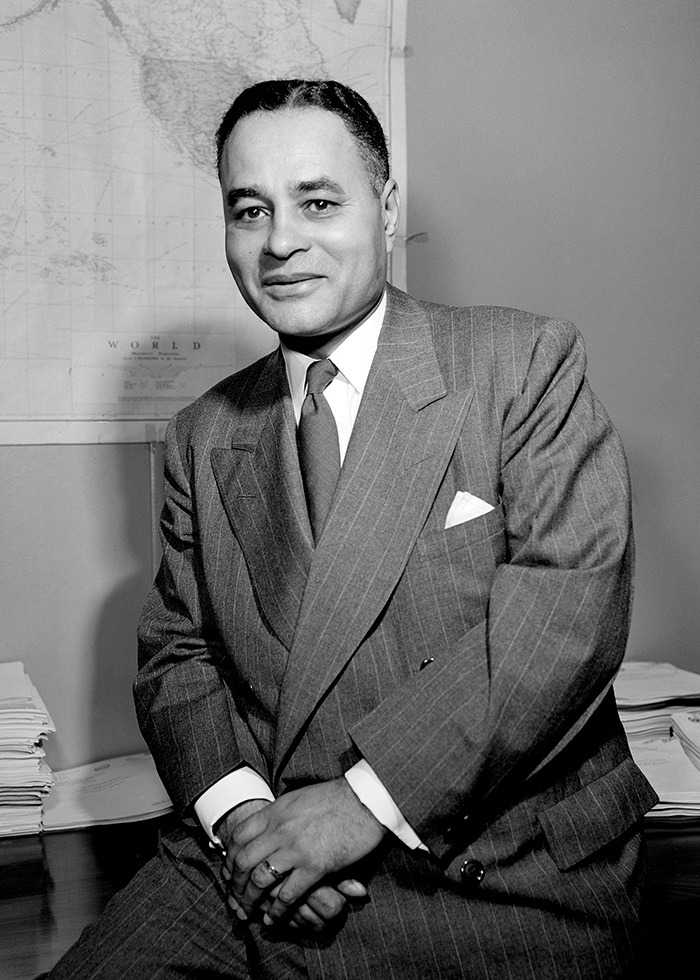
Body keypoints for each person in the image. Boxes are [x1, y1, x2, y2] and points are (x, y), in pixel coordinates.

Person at [50, 78, 657, 979]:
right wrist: (243, 819)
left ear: (385, 206)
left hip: (493, 871)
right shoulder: (202, 434)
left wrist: (361, 805)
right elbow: (178, 655)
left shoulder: (520, 364)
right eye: (248, 210)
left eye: (318, 202)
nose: (281, 241)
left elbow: (566, 621)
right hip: (248, 857)